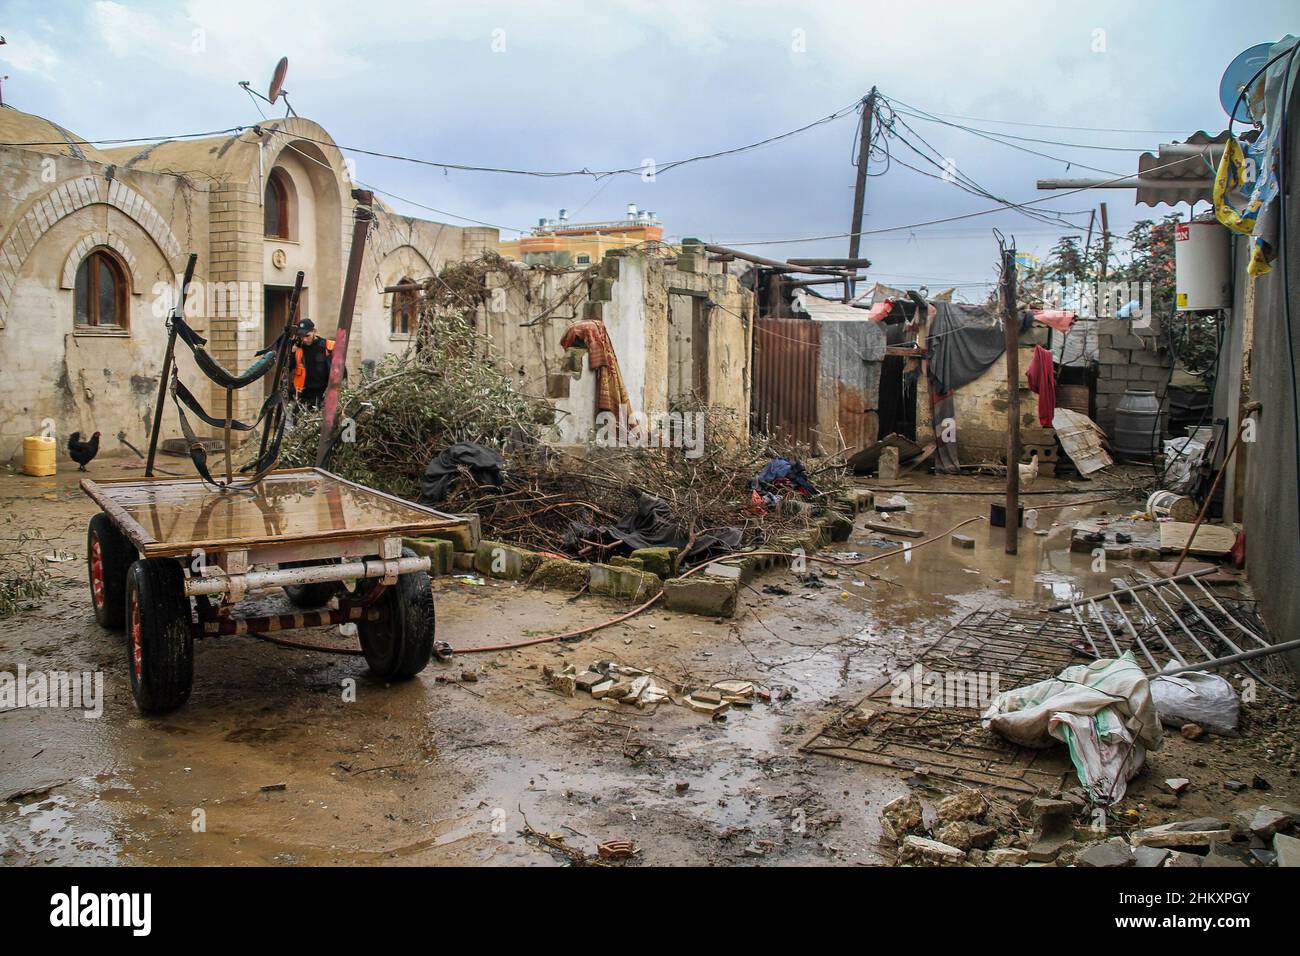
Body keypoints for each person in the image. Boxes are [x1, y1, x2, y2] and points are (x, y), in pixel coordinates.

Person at [289, 318, 336, 408]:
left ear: (314, 331)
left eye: (307, 336)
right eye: (301, 336)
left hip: (323, 394)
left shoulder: (327, 346)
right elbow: (290, 367)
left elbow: (340, 371)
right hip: (303, 394)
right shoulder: (297, 347)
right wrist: (292, 352)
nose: (304, 339)